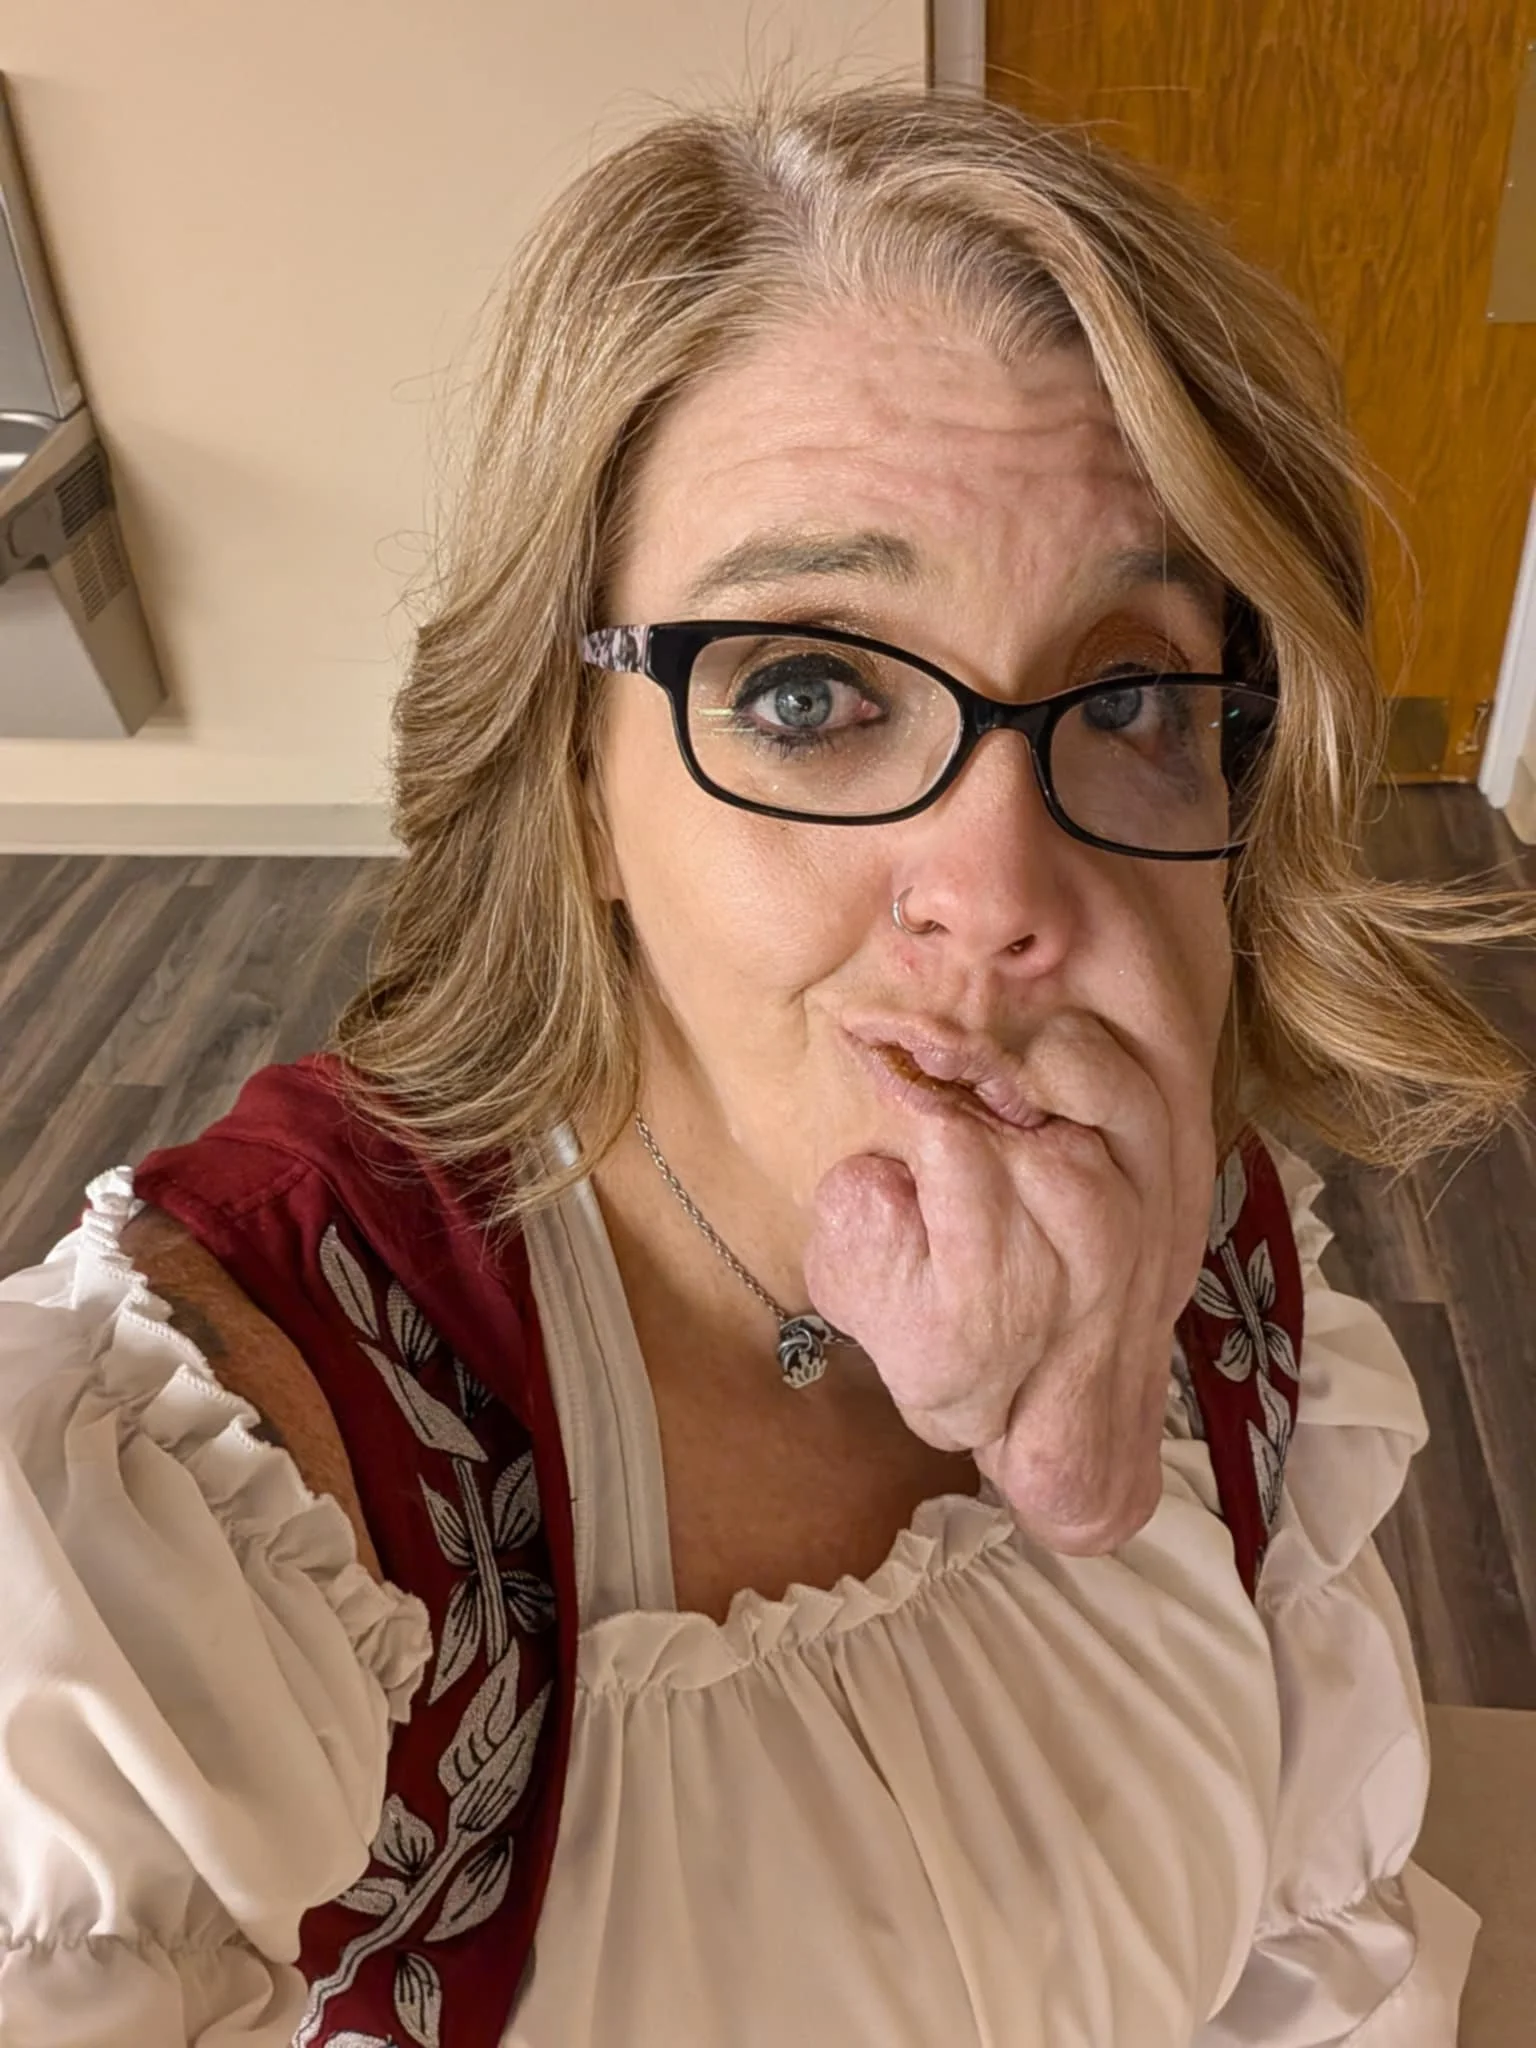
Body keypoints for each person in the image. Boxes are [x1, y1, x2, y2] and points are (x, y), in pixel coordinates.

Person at [0, 82, 1527, 2048]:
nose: (1003, 893)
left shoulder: (1208, 1266)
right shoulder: (224, 1473)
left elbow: (1306, 1955)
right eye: (810, 691)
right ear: (574, 771)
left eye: (1132, 693)